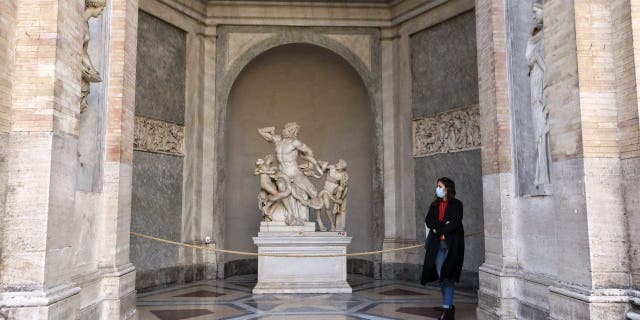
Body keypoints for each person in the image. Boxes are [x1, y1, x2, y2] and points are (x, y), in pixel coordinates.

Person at [421, 177, 465, 320]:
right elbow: (428, 220)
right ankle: (449, 307)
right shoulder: (435, 204)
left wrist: (437, 230)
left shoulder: (457, 204)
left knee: (449, 275)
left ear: (447, 188)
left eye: (439, 186)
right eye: (437, 186)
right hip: (437, 246)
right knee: (443, 276)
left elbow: (455, 223)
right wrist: (442, 224)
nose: (437, 188)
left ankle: (447, 308)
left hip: (452, 246)